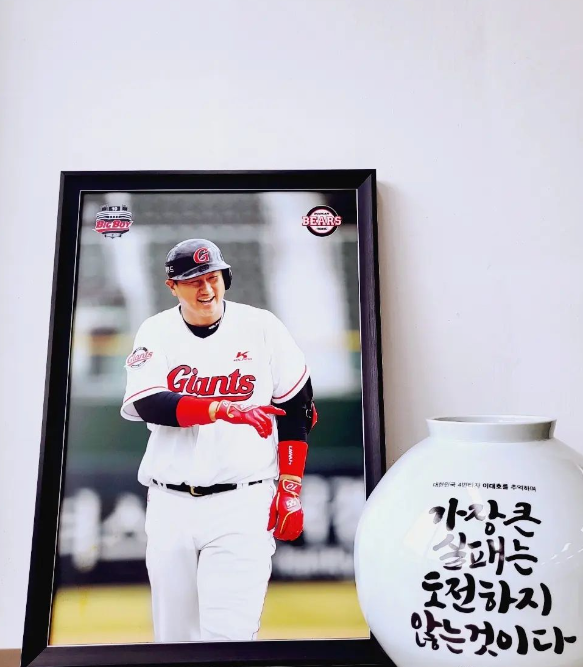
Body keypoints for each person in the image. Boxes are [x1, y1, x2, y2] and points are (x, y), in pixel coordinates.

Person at [120, 238, 316, 643]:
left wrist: (290, 487)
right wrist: (221, 409)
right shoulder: (156, 330)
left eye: (213, 277)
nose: (206, 288)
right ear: (172, 286)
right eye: (194, 280)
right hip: (170, 502)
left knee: (230, 636)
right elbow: (149, 402)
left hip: (243, 500)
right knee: (174, 641)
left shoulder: (261, 326)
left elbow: (297, 408)